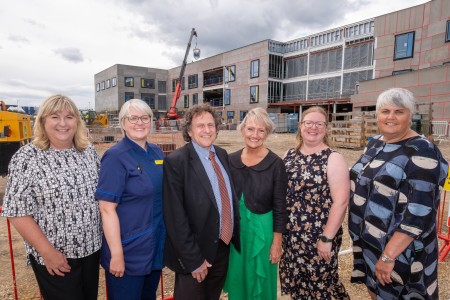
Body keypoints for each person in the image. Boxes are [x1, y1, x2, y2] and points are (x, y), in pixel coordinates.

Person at [348, 88, 448, 299]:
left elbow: (419, 212)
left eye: (399, 111)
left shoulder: (422, 151)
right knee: (377, 291)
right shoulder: (376, 143)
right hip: (370, 243)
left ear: (410, 115)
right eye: (385, 111)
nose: (390, 117)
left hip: (401, 251)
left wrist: (388, 256)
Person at [1, 94, 102, 300]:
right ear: (43, 121)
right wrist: (48, 253)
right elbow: (17, 212)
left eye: (69, 117)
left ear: (77, 122)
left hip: (91, 250)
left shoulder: (87, 152)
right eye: (55, 117)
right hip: (56, 255)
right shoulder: (27, 157)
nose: (63, 123)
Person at [163, 103, 240, 300]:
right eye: (200, 126)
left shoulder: (221, 154)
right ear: (189, 131)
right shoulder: (177, 161)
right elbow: (175, 215)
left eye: (211, 125)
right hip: (196, 253)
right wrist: (193, 259)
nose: (207, 130)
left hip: (222, 247)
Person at [95, 99, 165, 300]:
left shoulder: (156, 152)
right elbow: (107, 209)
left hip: (154, 245)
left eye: (144, 118)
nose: (139, 123)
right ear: (123, 122)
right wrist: (116, 255)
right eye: (133, 118)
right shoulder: (115, 157)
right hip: (127, 250)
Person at [279, 106, 350, 299]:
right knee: (298, 285)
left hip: (319, 237)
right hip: (292, 237)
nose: (313, 127)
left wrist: (327, 239)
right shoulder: (288, 155)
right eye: (309, 123)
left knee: (322, 285)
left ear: (326, 128)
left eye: (319, 124)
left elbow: (341, 202)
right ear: (300, 126)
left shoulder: (333, 158)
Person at [223, 107, 287, 299]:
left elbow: (280, 206)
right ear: (242, 130)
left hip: (263, 231)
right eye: (250, 129)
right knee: (238, 278)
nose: (255, 135)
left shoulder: (276, 164)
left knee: (261, 280)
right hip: (237, 233)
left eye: (261, 130)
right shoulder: (230, 159)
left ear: (267, 133)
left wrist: (277, 243)